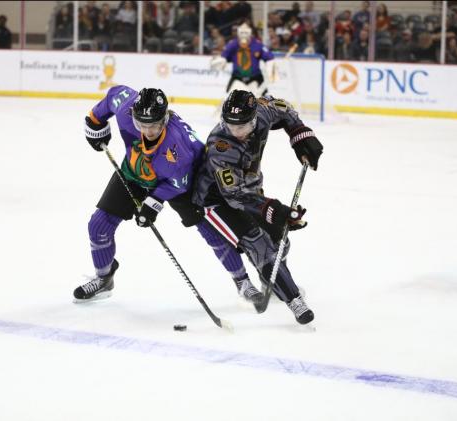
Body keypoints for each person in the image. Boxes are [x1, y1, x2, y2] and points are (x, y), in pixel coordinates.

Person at [73, 85, 263, 304]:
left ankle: (242, 281)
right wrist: (95, 123)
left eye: (153, 125)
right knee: (98, 225)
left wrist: (152, 204)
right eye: (141, 124)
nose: (147, 130)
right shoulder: (127, 107)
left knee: (209, 230)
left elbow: (178, 184)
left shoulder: (177, 146)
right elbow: (113, 95)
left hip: (186, 179)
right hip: (136, 171)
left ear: (164, 118)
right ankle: (104, 278)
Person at [191, 90, 323, 324]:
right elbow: (234, 195)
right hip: (216, 201)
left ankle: (270, 279)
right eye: (230, 125)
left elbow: (284, 109)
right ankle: (294, 302)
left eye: (242, 126)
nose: (236, 131)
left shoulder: (262, 113)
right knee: (258, 243)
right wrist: (276, 211)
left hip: (250, 190)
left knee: (279, 239)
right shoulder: (220, 145)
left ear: (254, 119)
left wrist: (300, 135)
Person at [210, 23, 276, 97]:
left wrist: (270, 67)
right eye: (242, 32)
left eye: (246, 32)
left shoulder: (257, 44)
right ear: (238, 33)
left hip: (255, 77)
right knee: (227, 98)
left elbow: (269, 57)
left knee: (263, 98)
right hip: (237, 76)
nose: (244, 35)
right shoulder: (232, 44)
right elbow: (224, 56)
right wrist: (221, 60)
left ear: (250, 33)